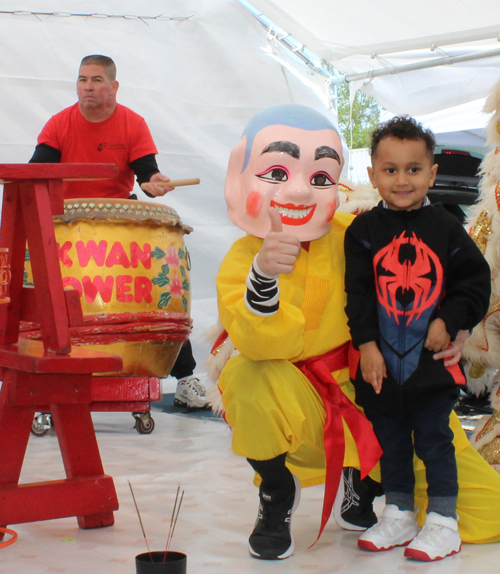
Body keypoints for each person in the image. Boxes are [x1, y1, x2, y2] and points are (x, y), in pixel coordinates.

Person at [214, 104, 500, 562]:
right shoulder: (267, 252)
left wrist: (456, 325)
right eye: (277, 172)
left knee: (465, 482)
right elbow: (314, 319)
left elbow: (468, 278)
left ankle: (400, 500)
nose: (300, 190)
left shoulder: (393, 228)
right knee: (253, 378)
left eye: (321, 178)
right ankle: (286, 491)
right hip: (335, 390)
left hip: (414, 376)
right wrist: (263, 274)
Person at [344, 116, 491, 561]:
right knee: (390, 441)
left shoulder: (446, 228)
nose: (402, 179)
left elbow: (474, 281)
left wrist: (449, 320)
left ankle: (444, 521)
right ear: (372, 175)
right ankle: (400, 512)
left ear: (432, 174)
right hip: (380, 367)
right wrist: (367, 346)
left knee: (433, 441)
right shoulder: (362, 233)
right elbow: (360, 294)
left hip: (432, 365)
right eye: (390, 170)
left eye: (413, 169)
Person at [30, 54, 208, 409]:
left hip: (116, 226)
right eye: (82, 80)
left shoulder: (132, 123)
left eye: (96, 80)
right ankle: (41, 382)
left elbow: (146, 175)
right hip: (67, 228)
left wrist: (154, 183)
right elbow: (37, 171)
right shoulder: (59, 124)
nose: (87, 88)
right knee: (51, 307)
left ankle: (186, 380)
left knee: (154, 300)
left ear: (114, 86)